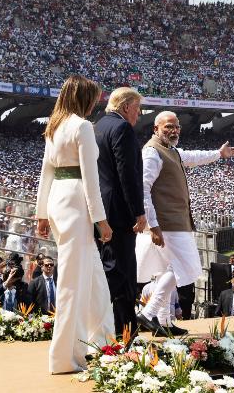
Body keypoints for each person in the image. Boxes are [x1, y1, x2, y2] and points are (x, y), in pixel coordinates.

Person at [35, 75, 115, 375]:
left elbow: (46, 173)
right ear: (84, 97)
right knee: (72, 282)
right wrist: (101, 220)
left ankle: (103, 341)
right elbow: (90, 179)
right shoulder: (81, 126)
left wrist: (41, 213)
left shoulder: (54, 127)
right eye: (94, 97)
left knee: (94, 277)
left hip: (58, 201)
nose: (96, 102)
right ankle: (65, 357)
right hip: (77, 204)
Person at [136, 111, 234, 331]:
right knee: (189, 267)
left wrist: (218, 154)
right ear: (156, 129)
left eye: (176, 127)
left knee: (166, 271)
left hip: (173, 221)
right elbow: (143, 190)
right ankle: (149, 312)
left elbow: (194, 157)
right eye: (168, 127)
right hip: (167, 223)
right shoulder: (152, 153)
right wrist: (152, 225)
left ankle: (163, 322)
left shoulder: (171, 150)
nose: (173, 131)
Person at [94, 87, 147, 335]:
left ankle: (127, 328)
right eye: (138, 108)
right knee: (116, 270)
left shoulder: (99, 126)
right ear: (126, 106)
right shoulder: (122, 128)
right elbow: (128, 175)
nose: (139, 114)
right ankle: (94, 324)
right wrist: (139, 211)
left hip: (102, 208)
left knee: (126, 272)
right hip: (119, 211)